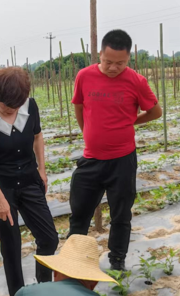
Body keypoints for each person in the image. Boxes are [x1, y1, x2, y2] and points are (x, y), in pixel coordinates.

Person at [69, 29, 162, 271]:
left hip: (122, 160)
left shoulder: (136, 81)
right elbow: (79, 106)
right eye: (108, 62)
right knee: (79, 214)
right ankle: (75, 260)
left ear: (129, 58)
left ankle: (117, 260)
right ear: (100, 54)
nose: (113, 68)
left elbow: (155, 111)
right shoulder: (84, 76)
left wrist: (130, 121)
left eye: (120, 63)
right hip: (91, 160)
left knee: (121, 214)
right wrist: (86, 130)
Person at [0, 67, 59, 296]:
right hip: (2, 188)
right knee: (11, 247)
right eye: (6, 106)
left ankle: (44, 289)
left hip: (30, 180)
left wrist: (42, 168)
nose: (11, 110)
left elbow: (38, 136)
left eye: (16, 105)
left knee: (49, 238)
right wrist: (0, 200)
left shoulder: (29, 106)